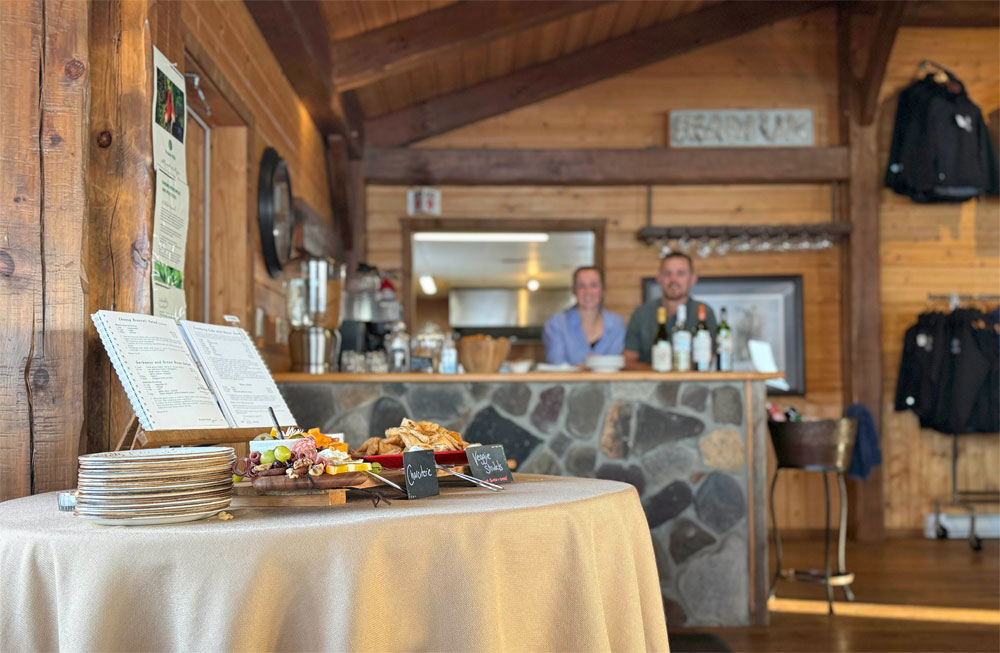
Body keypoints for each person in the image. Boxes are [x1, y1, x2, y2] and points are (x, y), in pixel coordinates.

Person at [625, 252, 717, 366]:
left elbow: (707, 358)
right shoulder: (641, 314)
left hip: (692, 383)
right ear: (659, 278)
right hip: (648, 382)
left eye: (680, 273)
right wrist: (659, 373)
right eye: (667, 273)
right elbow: (628, 360)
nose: (673, 279)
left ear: (693, 279)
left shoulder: (703, 312)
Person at [542, 266, 625, 365]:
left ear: (603, 290)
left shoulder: (617, 324)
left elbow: (616, 364)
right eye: (581, 286)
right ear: (574, 291)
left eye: (594, 285)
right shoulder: (556, 324)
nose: (588, 292)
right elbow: (556, 365)